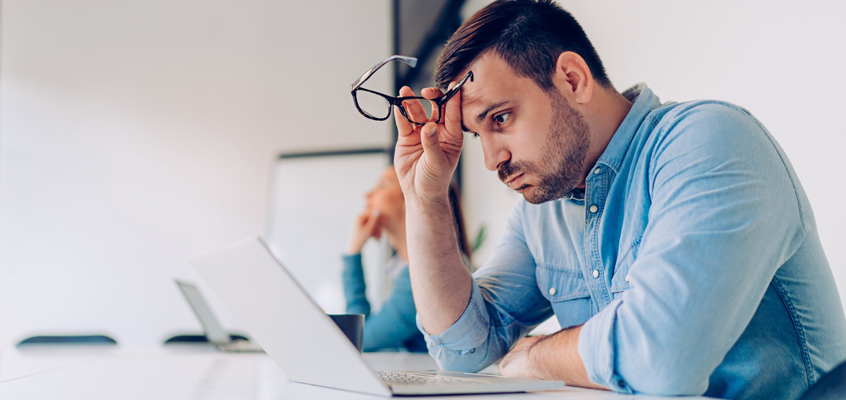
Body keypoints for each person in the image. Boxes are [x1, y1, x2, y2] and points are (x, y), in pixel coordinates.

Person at [380, 1, 846, 399]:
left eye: (500, 118)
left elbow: (662, 358)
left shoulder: (708, 140)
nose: (490, 159)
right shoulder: (543, 213)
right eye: (477, 133)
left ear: (572, 78)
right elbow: (463, 350)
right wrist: (425, 198)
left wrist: (539, 354)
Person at [341, 165, 471, 352]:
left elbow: (360, 338)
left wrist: (353, 253)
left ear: (411, 197)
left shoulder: (428, 273)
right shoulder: (403, 268)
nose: (368, 195)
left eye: (383, 185)